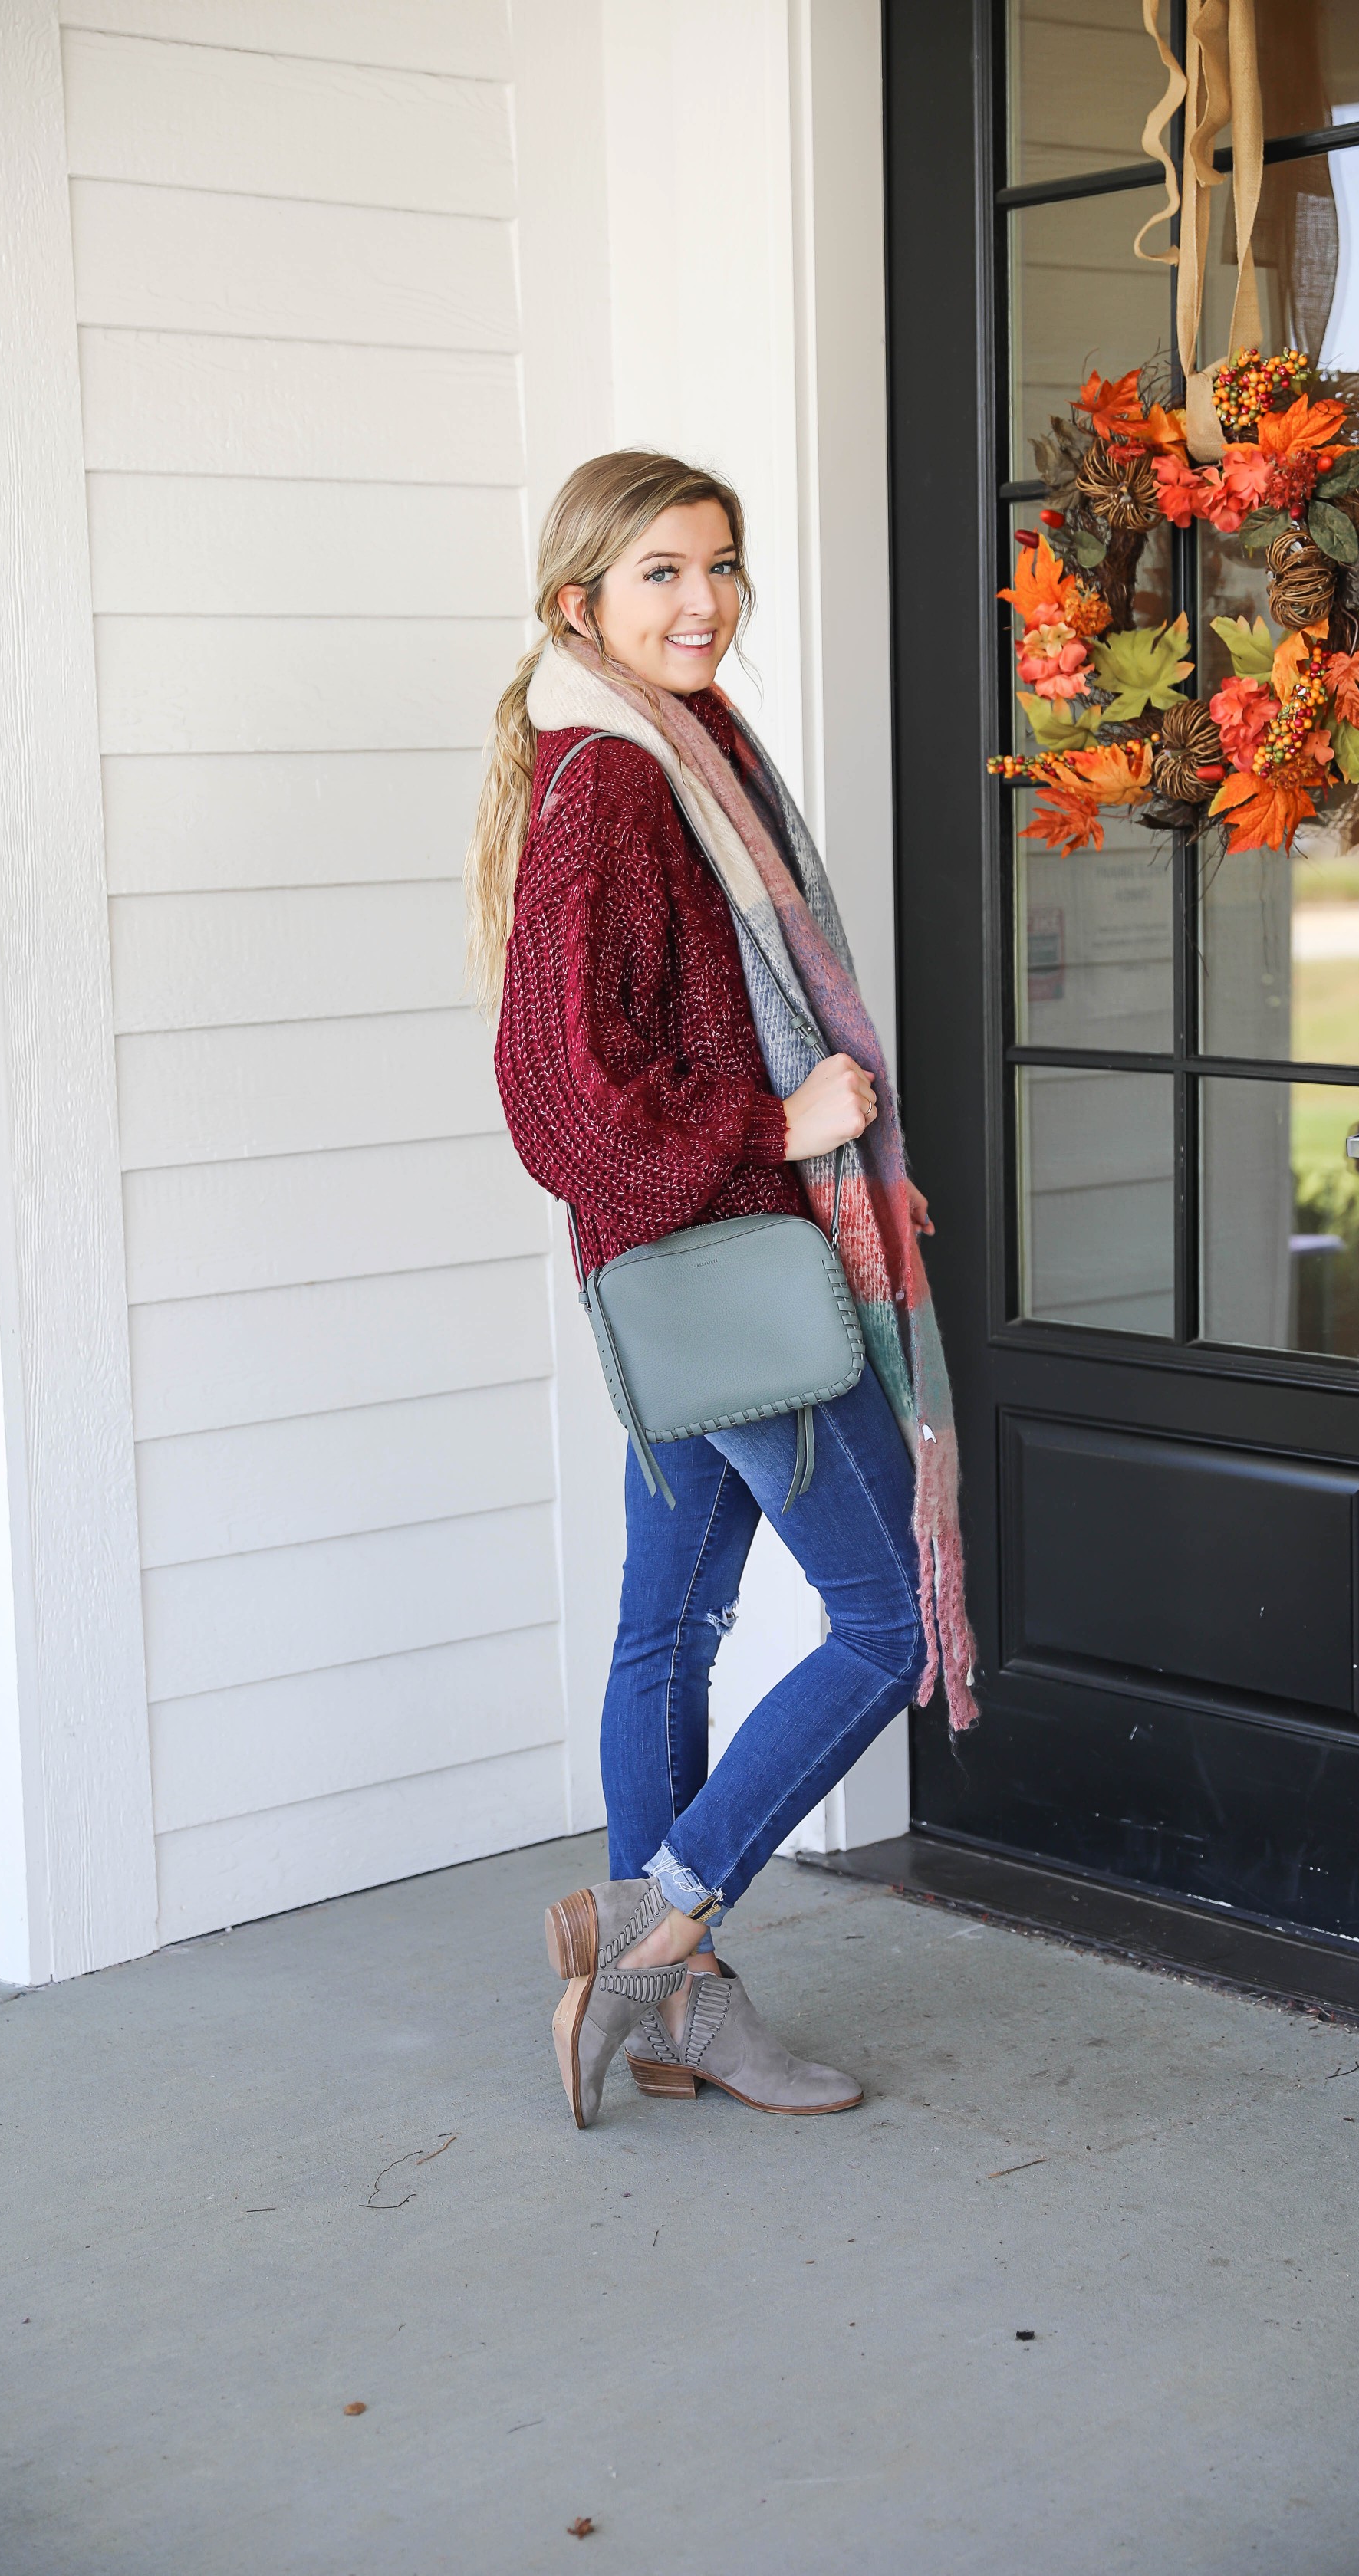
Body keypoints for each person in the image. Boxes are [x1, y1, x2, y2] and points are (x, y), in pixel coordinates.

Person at [466, 451, 975, 2130]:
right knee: (883, 1619)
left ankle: (670, 2002)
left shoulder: (680, 754)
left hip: (695, 1272)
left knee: (667, 1625)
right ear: (580, 604)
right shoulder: (613, 782)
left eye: (723, 567)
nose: (705, 602)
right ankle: (653, 1924)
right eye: (662, 573)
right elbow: (557, 1095)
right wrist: (782, 1122)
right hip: (733, 1272)